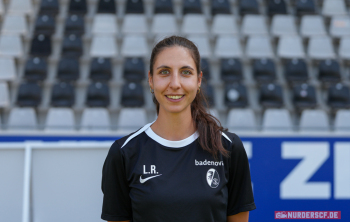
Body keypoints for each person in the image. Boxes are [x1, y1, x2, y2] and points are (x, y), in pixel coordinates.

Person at [101, 35, 256, 222]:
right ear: (151, 80)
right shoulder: (124, 153)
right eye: (164, 72)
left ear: (199, 80)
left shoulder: (228, 148)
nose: (175, 84)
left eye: (185, 72)